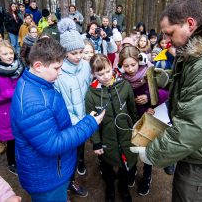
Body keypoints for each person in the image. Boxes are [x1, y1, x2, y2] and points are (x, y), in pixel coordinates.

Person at [132, 0, 202, 202]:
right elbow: (190, 83)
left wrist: (152, 153)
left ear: (190, 24)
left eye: (170, 33)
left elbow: (194, 128)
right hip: (196, 150)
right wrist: (166, 78)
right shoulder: (197, 49)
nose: (167, 40)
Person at [10, 36, 105, 202]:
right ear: (38, 66)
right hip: (47, 179)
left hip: (52, 170)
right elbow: (52, 145)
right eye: (56, 68)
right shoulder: (33, 104)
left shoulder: (38, 83)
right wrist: (90, 123)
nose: (60, 72)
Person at [85, 54, 138, 202]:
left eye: (108, 71)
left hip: (127, 134)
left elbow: (132, 110)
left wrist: (135, 129)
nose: (106, 76)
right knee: (107, 165)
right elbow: (91, 121)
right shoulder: (91, 94)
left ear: (111, 67)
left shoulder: (124, 85)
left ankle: (123, 187)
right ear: (93, 74)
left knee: (128, 164)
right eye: (100, 74)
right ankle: (110, 187)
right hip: (106, 137)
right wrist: (96, 142)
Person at [119, 46, 169, 196]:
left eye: (133, 65)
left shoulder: (150, 73)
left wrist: (149, 97)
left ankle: (147, 176)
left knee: (147, 149)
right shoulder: (121, 79)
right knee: (131, 147)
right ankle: (132, 171)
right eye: (126, 66)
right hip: (131, 118)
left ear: (139, 61)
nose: (130, 69)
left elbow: (166, 92)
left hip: (149, 118)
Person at [54, 17, 91, 197]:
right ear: (64, 53)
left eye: (81, 52)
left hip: (85, 117)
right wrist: (76, 122)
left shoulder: (86, 66)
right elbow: (59, 102)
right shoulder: (58, 72)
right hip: (69, 122)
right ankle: (67, 183)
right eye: (73, 53)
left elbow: (91, 87)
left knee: (78, 151)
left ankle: (73, 176)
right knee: (67, 155)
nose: (78, 57)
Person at [0, 41, 24, 175]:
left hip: (20, 109)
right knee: (11, 140)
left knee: (21, 136)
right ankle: (11, 163)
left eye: (10, 53)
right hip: (5, 113)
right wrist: (8, 94)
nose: (9, 56)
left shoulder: (19, 67)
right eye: (5, 54)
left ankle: (20, 159)